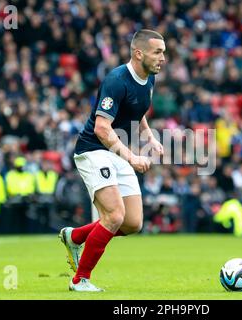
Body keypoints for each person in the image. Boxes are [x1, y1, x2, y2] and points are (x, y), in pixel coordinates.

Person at [59, 29, 166, 292]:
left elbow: (137, 111)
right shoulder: (117, 80)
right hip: (94, 149)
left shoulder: (149, 79)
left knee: (132, 223)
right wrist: (132, 157)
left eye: (163, 52)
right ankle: (80, 280)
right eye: (157, 52)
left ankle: (75, 236)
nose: (163, 57)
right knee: (114, 215)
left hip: (115, 151)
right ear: (138, 53)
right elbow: (101, 129)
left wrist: (150, 137)